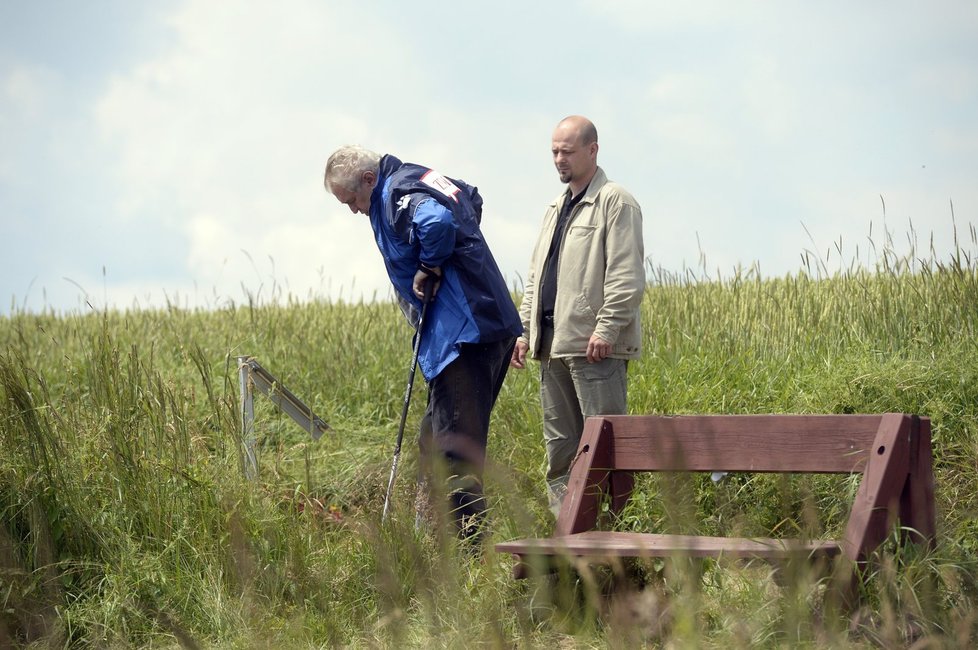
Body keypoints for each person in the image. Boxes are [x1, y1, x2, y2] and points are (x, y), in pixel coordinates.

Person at [324, 145, 521, 541]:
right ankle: (435, 544)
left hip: (466, 335)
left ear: (368, 179)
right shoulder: (411, 180)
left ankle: (468, 559)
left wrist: (432, 266)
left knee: (453, 453)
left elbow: (437, 223)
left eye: (352, 201)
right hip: (466, 331)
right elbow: (469, 197)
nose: (353, 210)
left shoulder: (396, 193)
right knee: (433, 443)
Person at [510, 116, 645, 515]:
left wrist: (606, 328)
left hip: (594, 349)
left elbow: (627, 275)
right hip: (550, 348)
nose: (558, 159)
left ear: (592, 150)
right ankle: (566, 536)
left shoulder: (616, 201)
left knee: (604, 447)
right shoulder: (554, 208)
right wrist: (522, 333)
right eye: (553, 151)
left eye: (567, 151)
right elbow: (536, 277)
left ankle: (618, 538)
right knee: (560, 451)